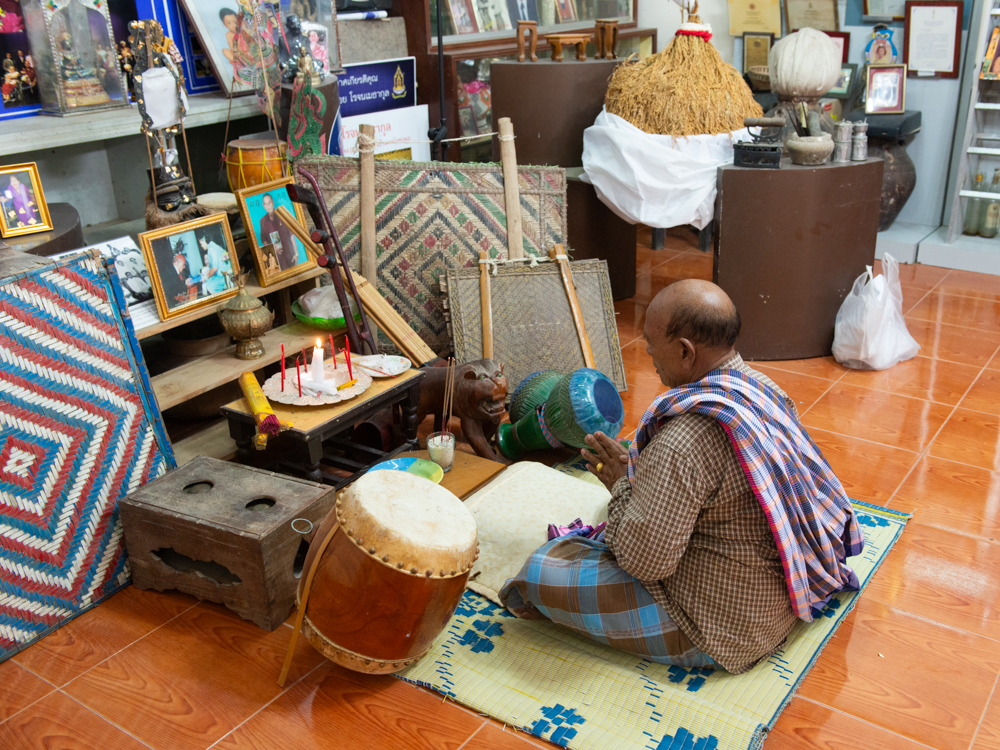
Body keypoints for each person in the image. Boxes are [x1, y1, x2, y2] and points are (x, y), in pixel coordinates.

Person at [499, 280, 865, 674]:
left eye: (652, 342)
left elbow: (644, 563)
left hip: (725, 632)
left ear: (685, 351)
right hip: (785, 595)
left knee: (541, 570)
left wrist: (621, 484)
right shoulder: (762, 387)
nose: (648, 352)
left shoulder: (684, 440)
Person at [257, 193, 298, 270]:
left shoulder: (283, 215)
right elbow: (264, 240)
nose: (268, 206)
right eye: (265, 204)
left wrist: (296, 254)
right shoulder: (262, 221)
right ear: (263, 205)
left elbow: (291, 235)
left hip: (289, 255)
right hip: (275, 259)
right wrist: (272, 250)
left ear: (273, 202)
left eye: (269, 203)